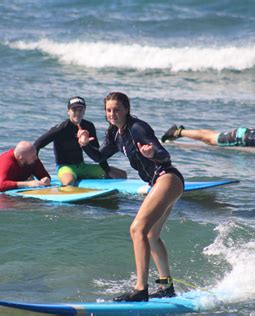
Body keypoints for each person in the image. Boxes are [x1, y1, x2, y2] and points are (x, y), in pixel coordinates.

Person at [77, 92, 184, 302]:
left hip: (167, 178)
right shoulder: (116, 134)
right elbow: (100, 156)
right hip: (160, 183)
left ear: (126, 109)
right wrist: (84, 145)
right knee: (151, 235)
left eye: (117, 109)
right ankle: (167, 286)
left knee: (137, 229)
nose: (112, 114)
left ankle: (140, 289)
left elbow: (165, 155)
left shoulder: (137, 128)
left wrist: (153, 154)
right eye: (108, 110)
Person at [34, 96, 126, 185]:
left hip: (82, 167)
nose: (77, 113)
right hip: (65, 168)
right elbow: (37, 145)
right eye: (74, 110)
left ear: (84, 111)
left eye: (80, 110)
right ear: (68, 111)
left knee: (121, 175)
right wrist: (37, 172)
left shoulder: (88, 126)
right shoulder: (61, 128)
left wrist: (107, 170)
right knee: (69, 182)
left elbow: (98, 153)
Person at [161, 121, 255, 155]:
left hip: (246, 132)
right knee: (210, 140)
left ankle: (180, 131)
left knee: (211, 136)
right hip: (241, 137)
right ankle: (177, 132)